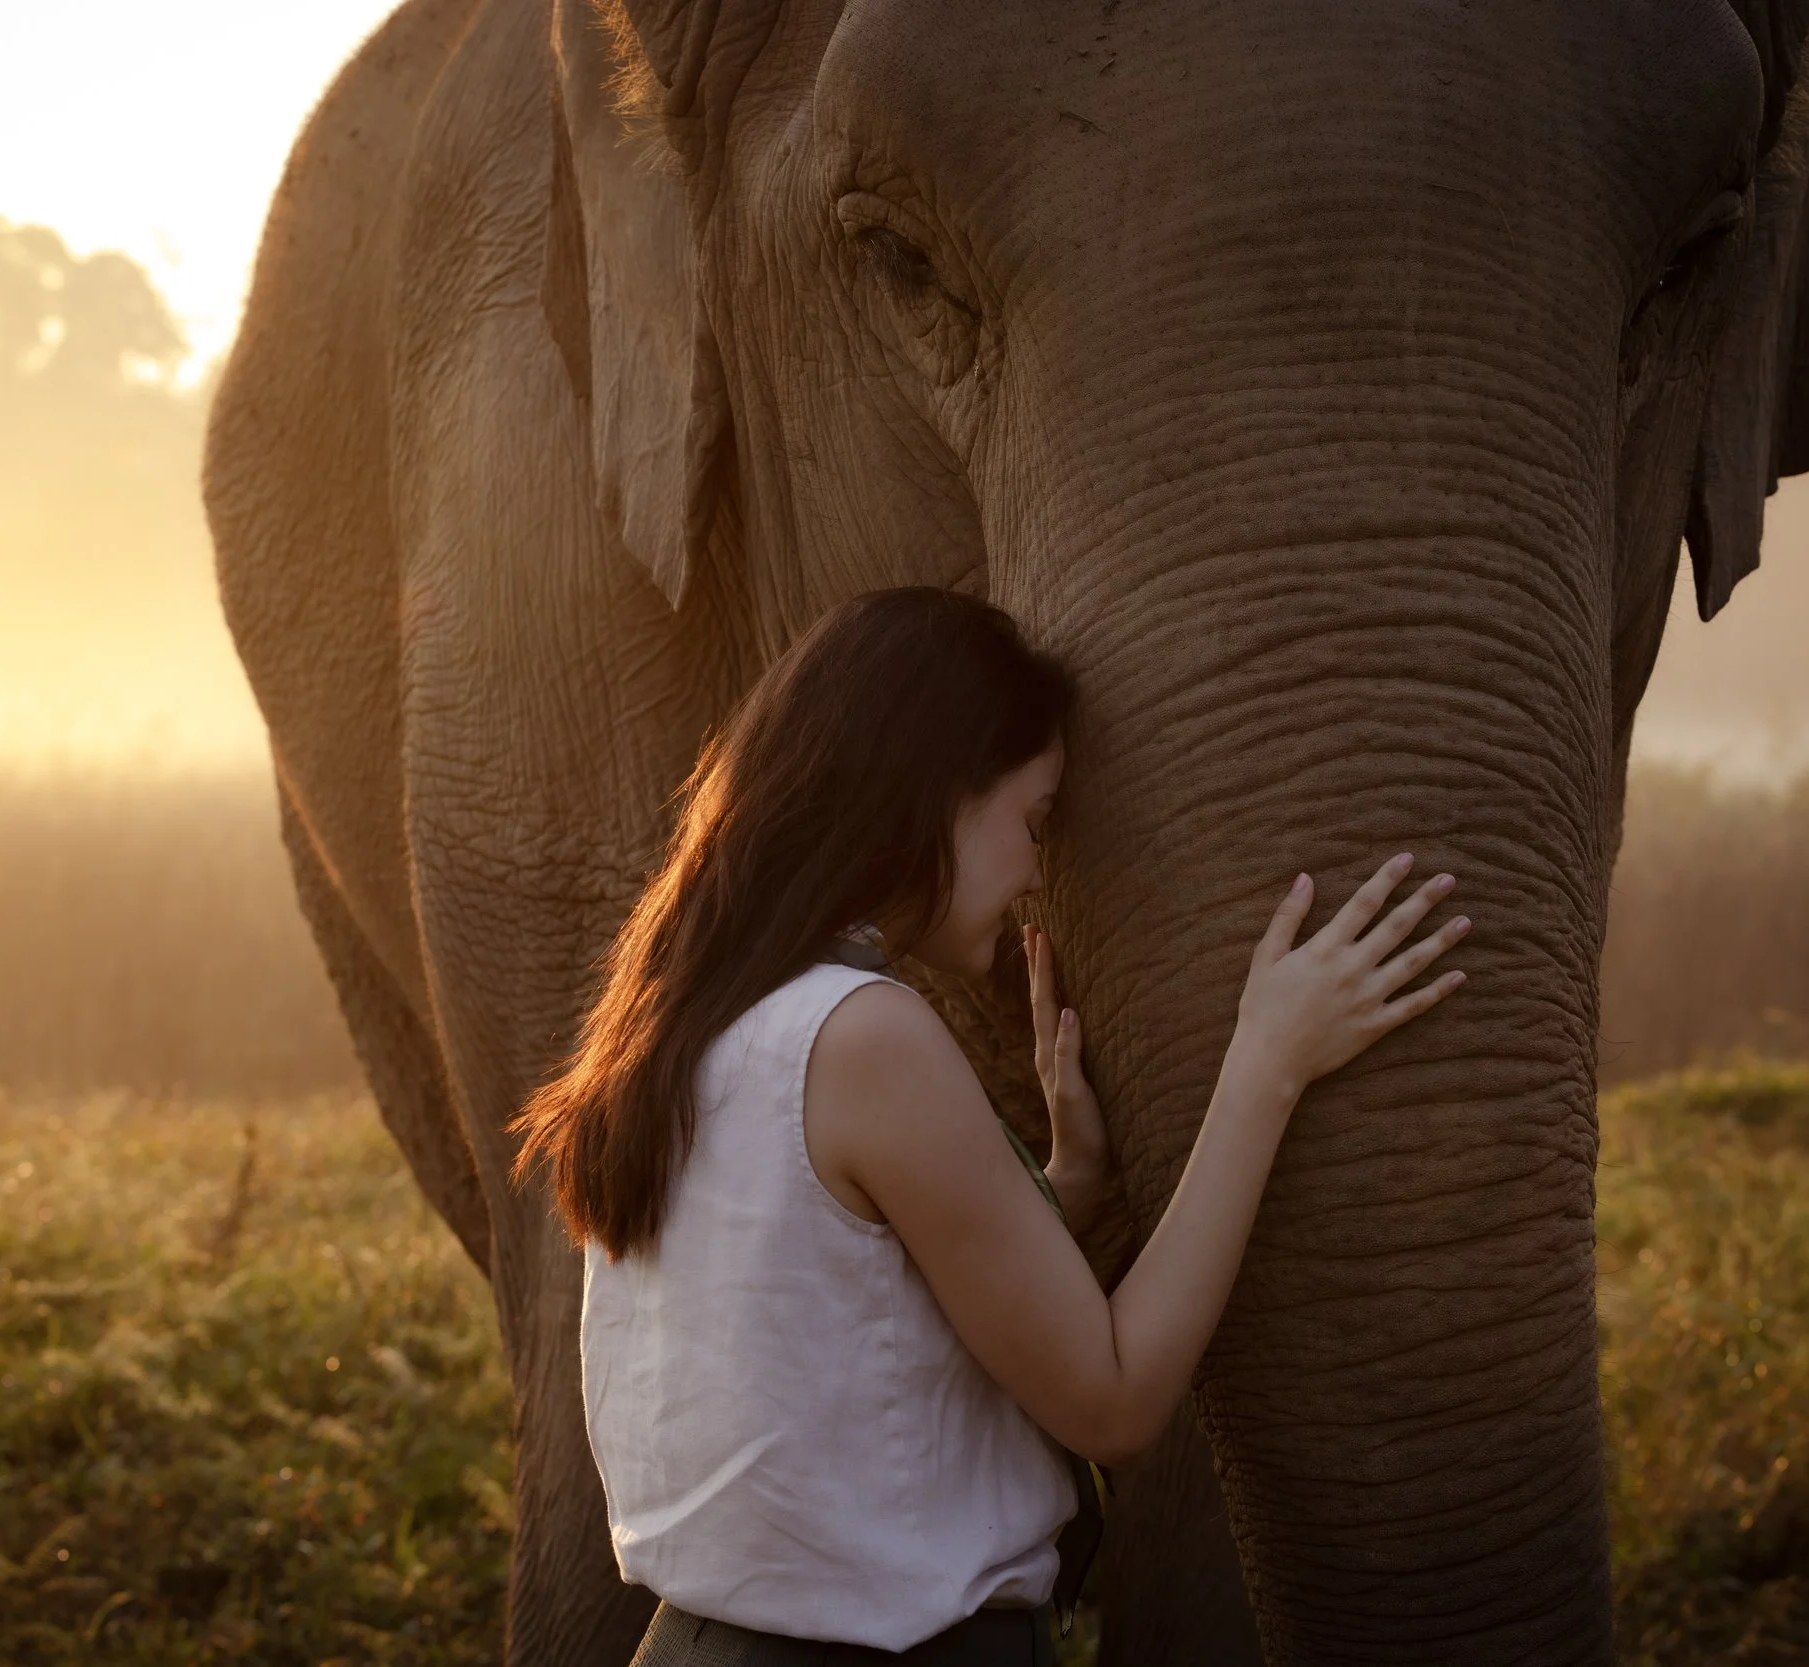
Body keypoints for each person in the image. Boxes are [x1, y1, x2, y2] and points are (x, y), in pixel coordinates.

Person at [512, 588, 1469, 1665]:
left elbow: (817, 1313)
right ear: (936, 794)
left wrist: (1058, 1193)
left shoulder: (685, 1021)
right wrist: (1265, 1062)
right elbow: (1112, 1402)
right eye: (1033, 819)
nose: (1033, 867)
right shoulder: (866, 1032)